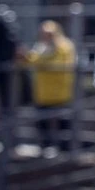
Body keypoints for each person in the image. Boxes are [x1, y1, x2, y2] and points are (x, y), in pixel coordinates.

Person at [25, 19, 77, 152]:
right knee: (41, 122)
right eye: (44, 34)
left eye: (49, 34)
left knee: (63, 123)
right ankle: (45, 146)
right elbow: (31, 61)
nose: (46, 37)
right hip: (42, 93)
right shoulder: (39, 47)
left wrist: (42, 63)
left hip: (61, 93)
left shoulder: (65, 46)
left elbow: (62, 64)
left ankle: (65, 149)